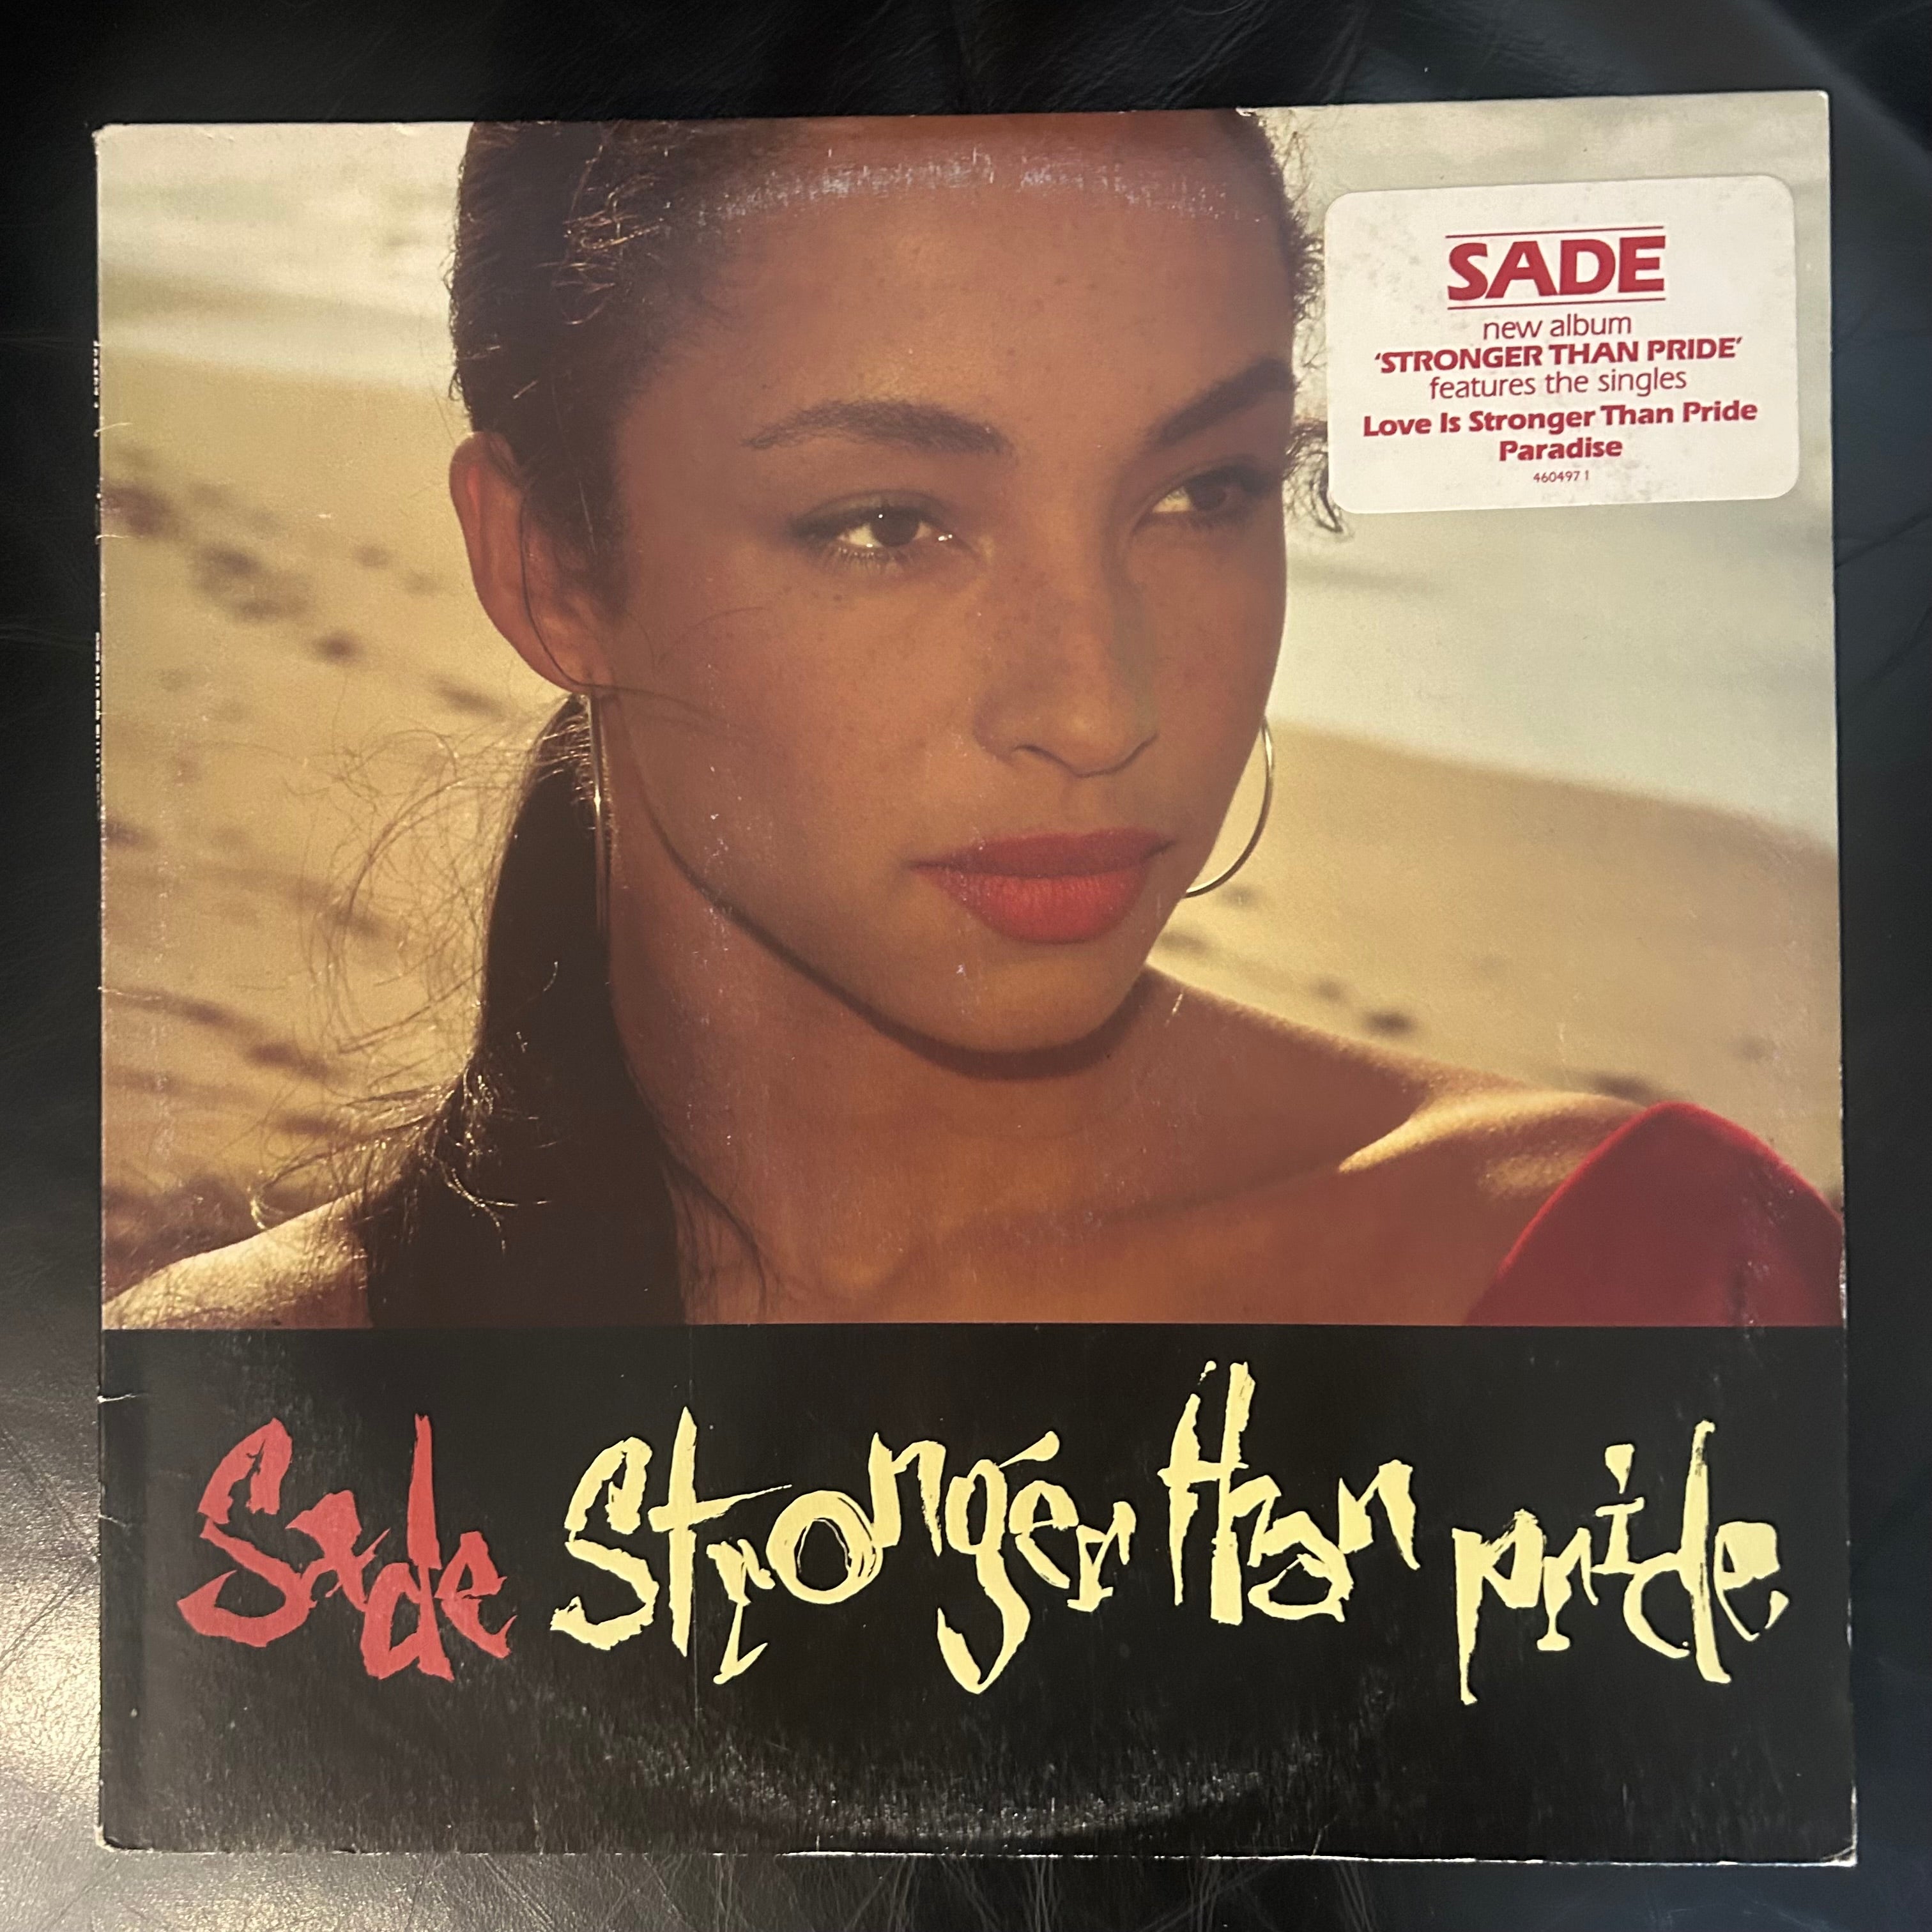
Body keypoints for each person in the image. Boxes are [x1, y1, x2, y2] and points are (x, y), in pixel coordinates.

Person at [105, 112, 1842, 1330]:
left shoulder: (1649, 1282)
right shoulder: (241, 1415)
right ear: (547, 568)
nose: (1100, 708)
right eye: (886, 523)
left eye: (1204, 491)